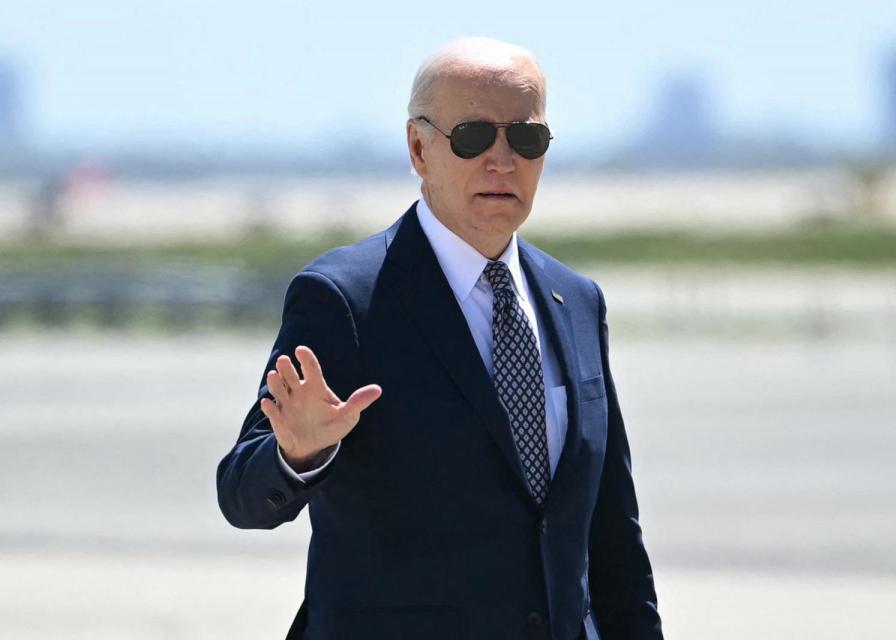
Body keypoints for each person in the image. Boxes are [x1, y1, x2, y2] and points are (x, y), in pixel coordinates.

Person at [217, 36, 663, 640]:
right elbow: (242, 492)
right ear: (418, 148)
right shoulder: (346, 297)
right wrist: (298, 455)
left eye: (526, 139)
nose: (502, 162)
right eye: (474, 137)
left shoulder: (576, 300)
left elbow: (613, 536)